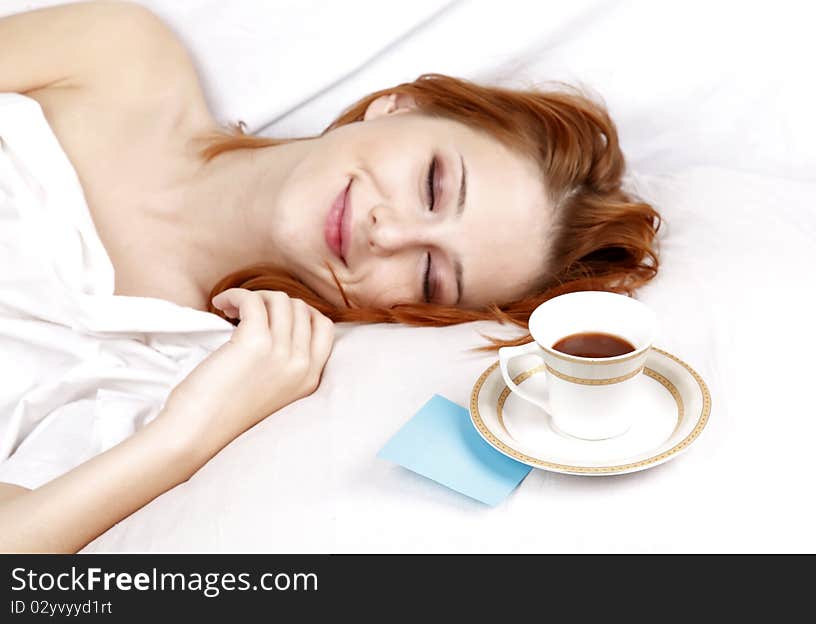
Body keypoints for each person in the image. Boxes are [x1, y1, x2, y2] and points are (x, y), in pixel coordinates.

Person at [0, 1, 660, 552]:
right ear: (402, 105)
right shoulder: (121, 59)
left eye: (430, 273)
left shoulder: (180, 377)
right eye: (432, 184)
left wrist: (184, 437)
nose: (390, 233)